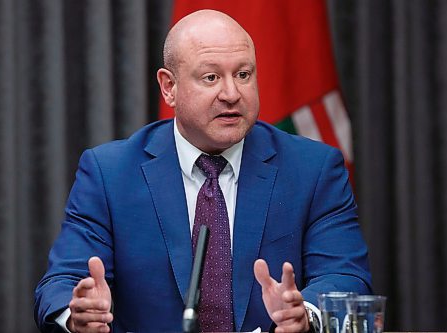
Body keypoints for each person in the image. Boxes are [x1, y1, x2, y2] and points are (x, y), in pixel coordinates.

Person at [34, 9, 372, 333]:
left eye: (243, 75)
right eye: (211, 77)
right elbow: (62, 283)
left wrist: (306, 314)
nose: (231, 94)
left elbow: (345, 275)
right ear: (169, 87)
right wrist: (78, 314)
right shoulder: (110, 173)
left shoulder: (313, 169)